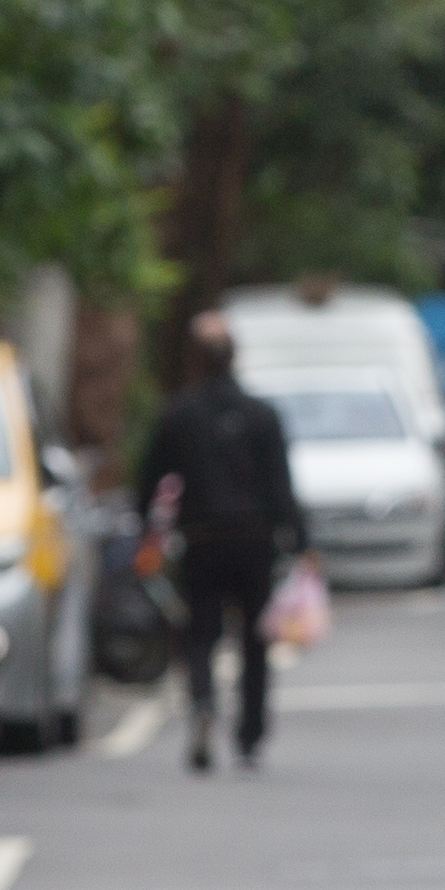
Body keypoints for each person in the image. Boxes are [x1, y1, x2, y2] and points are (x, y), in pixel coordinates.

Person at [136, 312, 304, 772]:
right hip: (255, 541)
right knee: (255, 640)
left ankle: (203, 704)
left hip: (202, 539)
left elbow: (150, 479)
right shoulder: (261, 414)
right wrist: (301, 542)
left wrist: (146, 530)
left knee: (200, 634)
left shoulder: (179, 414)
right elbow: (281, 486)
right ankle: (250, 732)